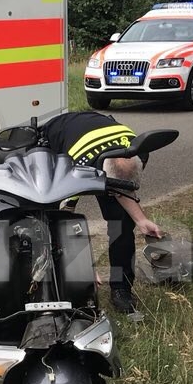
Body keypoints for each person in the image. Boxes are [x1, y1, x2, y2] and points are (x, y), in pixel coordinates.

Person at [44, 110, 163, 314]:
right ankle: (57, 287)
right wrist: (82, 266)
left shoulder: (139, 152)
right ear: (103, 175)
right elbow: (64, 219)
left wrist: (141, 219)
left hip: (99, 128)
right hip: (56, 140)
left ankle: (121, 289)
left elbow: (125, 186)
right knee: (47, 219)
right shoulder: (76, 170)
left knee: (123, 222)